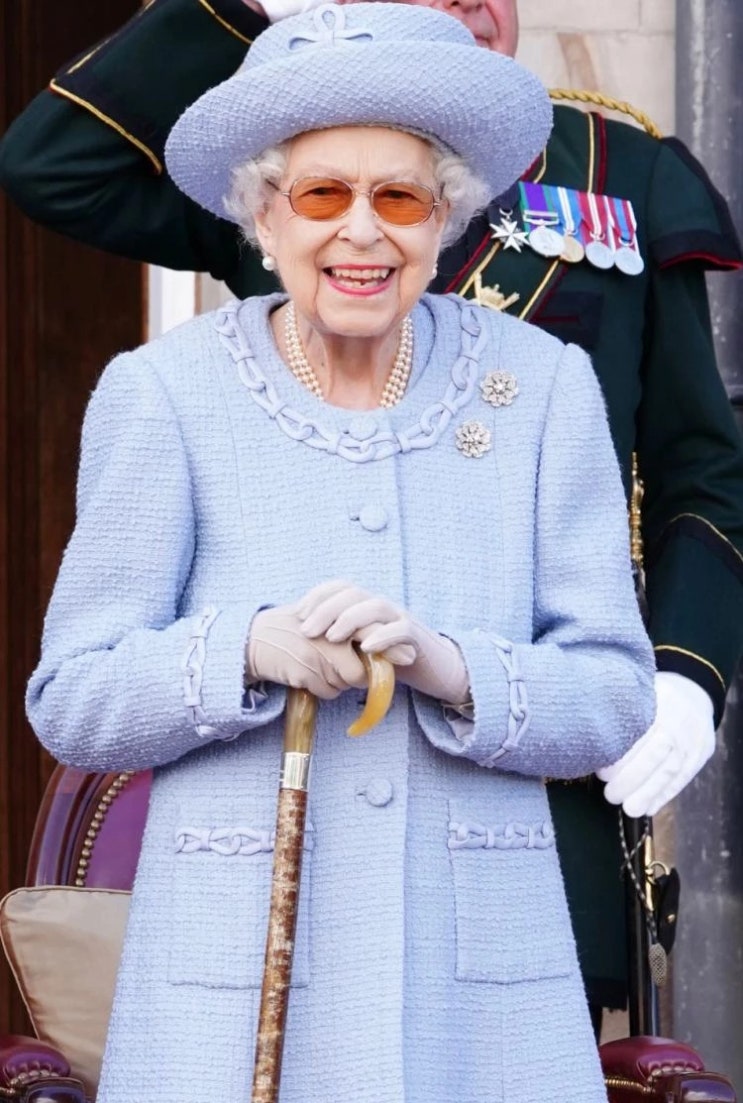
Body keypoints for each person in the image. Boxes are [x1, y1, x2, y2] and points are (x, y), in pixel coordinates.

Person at [3, 0, 743, 1023]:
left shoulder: (621, 171)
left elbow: (698, 471)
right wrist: (252, 11)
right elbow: (54, 164)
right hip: (284, 772)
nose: (466, 7)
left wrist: (683, 668)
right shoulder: (285, 168)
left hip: (526, 779)